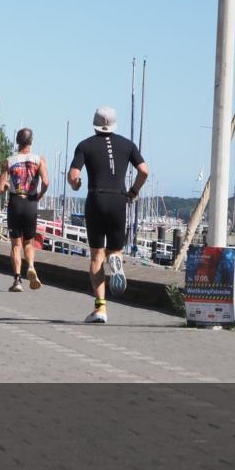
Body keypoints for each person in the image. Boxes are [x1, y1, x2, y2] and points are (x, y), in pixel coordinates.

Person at [68, 106, 149, 324]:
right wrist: (133, 191)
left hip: (96, 199)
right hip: (118, 200)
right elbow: (144, 171)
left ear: (94, 123)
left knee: (96, 257)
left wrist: (76, 185)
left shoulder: (85, 145)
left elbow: (73, 175)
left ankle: (100, 309)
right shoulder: (127, 145)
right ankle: (116, 260)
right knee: (115, 249)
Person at [0, 128, 49, 292]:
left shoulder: (9, 161)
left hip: (15, 202)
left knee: (15, 245)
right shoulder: (39, 159)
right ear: (31, 141)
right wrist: (39, 195)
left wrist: (6, 185)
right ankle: (31, 266)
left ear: (17, 141)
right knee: (29, 242)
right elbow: (46, 182)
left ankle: (17, 280)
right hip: (31, 202)